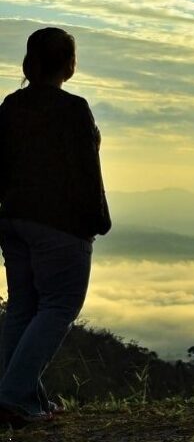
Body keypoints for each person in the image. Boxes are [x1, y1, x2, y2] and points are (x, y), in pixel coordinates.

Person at [0, 27, 111, 425]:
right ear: (69, 64)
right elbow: (86, 172)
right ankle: (12, 397)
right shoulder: (74, 109)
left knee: (23, 309)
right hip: (59, 226)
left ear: (30, 62)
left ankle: (24, 400)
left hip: (13, 220)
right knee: (58, 307)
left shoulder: (11, 105)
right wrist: (99, 221)